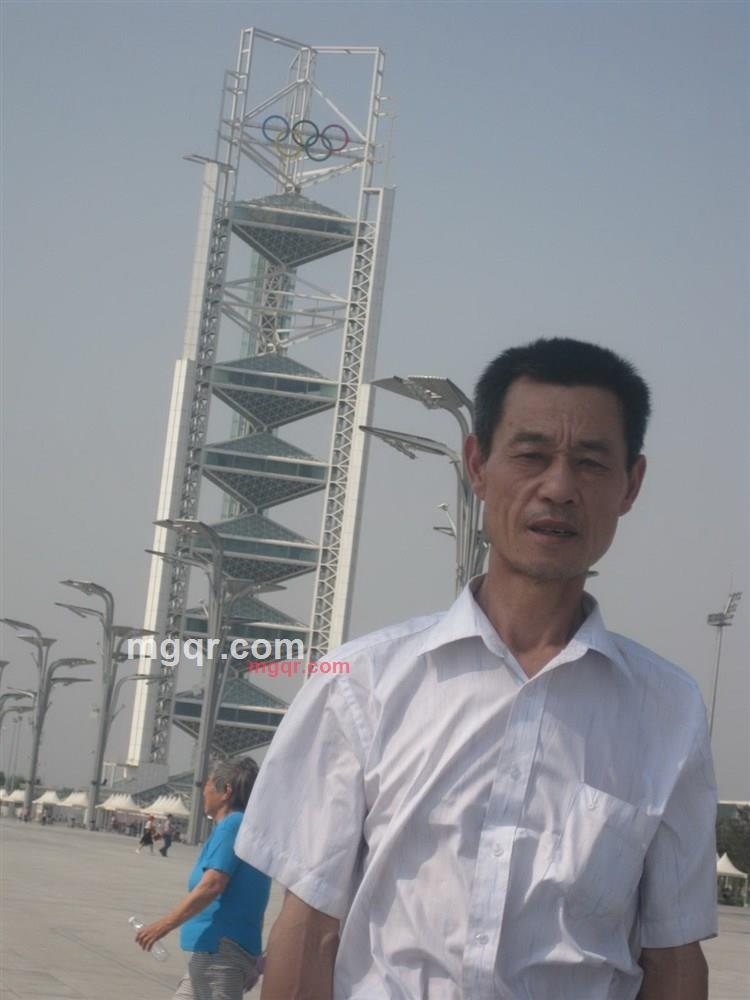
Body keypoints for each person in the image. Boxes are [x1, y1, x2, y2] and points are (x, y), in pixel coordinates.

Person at [235, 338, 718, 1000]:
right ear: (477, 466)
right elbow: (310, 929)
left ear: (630, 485)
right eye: (531, 455)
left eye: (590, 462)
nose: (559, 488)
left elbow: (674, 959)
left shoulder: (668, 713)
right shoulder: (361, 685)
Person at [135, 758, 271, 999]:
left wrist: (163, 925)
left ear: (226, 791)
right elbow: (253, 896)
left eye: (207, 783)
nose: (203, 791)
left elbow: (212, 884)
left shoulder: (233, 825)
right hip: (215, 951)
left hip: (220, 953)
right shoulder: (242, 827)